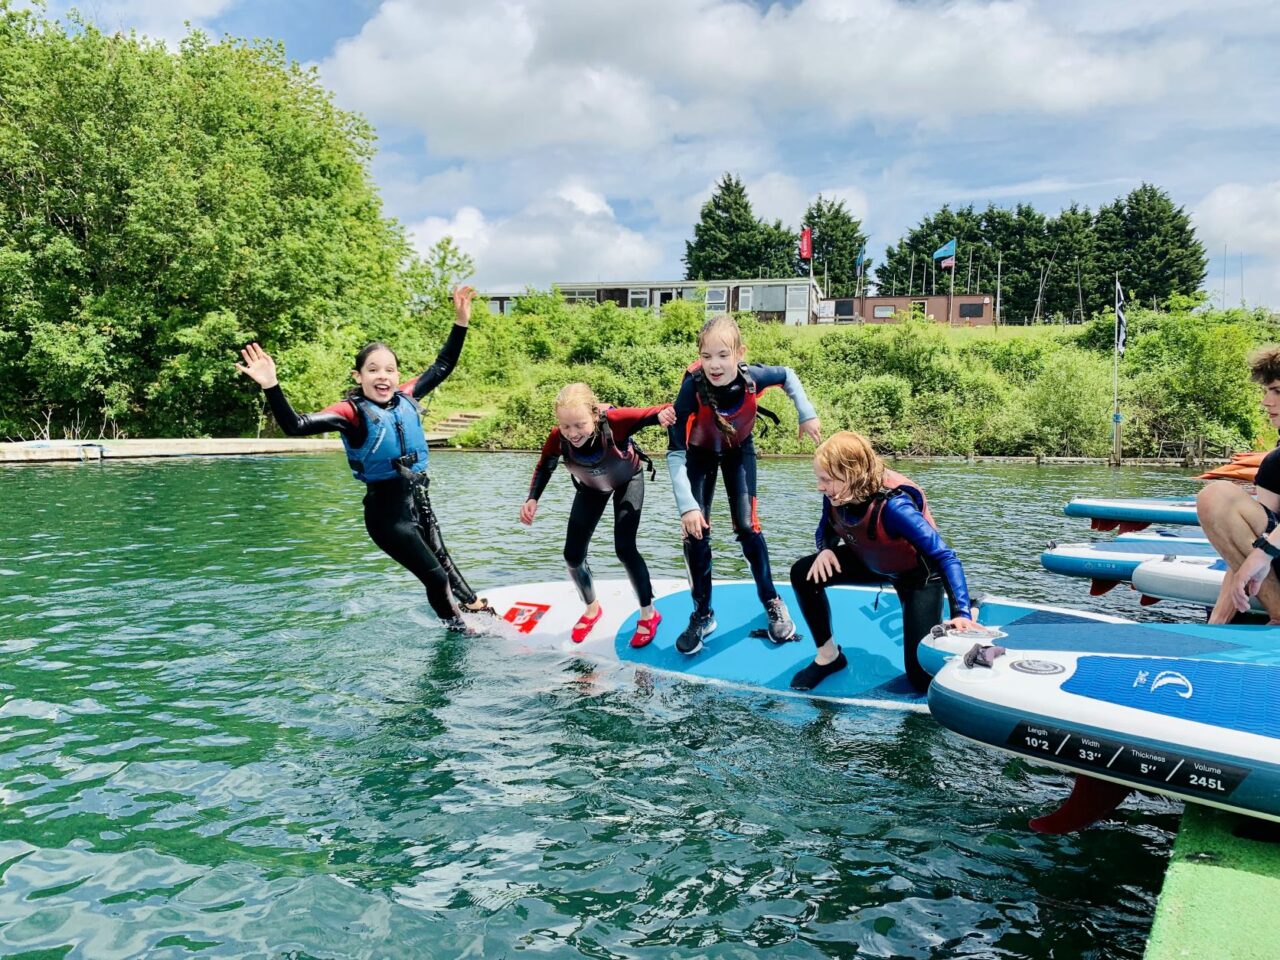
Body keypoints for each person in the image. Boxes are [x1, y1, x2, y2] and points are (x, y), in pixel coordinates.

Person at [235, 286, 491, 628]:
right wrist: (271, 385)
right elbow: (295, 425)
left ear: (397, 375)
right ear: (359, 376)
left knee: (441, 557)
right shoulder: (352, 413)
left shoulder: (407, 397)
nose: (382, 376)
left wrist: (461, 322)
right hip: (387, 519)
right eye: (373, 370)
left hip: (417, 501)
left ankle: (471, 603)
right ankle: (459, 630)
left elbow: (443, 365)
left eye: (389, 370)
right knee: (435, 577)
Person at [667, 314, 822, 654]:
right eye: (707, 356)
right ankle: (703, 614)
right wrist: (687, 507)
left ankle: (772, 601)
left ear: (740, 353)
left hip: (739, 451)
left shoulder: (754, 378)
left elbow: (788, 375)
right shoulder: (692, 388)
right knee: (695, 531)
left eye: (723, 355)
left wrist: (805, 412)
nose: (715, 364)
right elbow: (675, 454)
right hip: (699, 455)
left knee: (747, 527)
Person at [789, 431, 979, 692]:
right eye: (819, 478)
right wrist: (825, 549)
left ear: (853, 474)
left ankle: (972, 606)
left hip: (917, 578)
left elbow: (946, 556)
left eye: (826, 480)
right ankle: (828, 657)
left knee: (921, 680)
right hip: (870, 561)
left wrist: (961, 613)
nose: (820, 486)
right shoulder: (837, 494)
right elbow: (826, 529)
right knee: (803, 572)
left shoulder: (895, 508)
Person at [520, 384, 676, 646]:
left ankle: (649, 614)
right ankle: (592, 608)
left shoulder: (615, 422)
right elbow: (545, 464)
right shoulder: (558, 437)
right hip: (591, 487)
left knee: (624, 548)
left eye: (580, 425)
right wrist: (532, 498)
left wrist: (663, 416)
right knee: (572, 556)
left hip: (628, 479)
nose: (573, 433)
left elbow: (657, 411)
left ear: (594, 415)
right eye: (566, 426)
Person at [1197, 345, 1280, 623]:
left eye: (1278, 392)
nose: (1267, 402)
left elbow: (1262, 549)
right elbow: (1245, 545)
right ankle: (1278, 614)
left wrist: (1264, 553)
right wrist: (1216, 625)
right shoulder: (1274, 463)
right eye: (1266, 392)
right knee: (1217, 497)